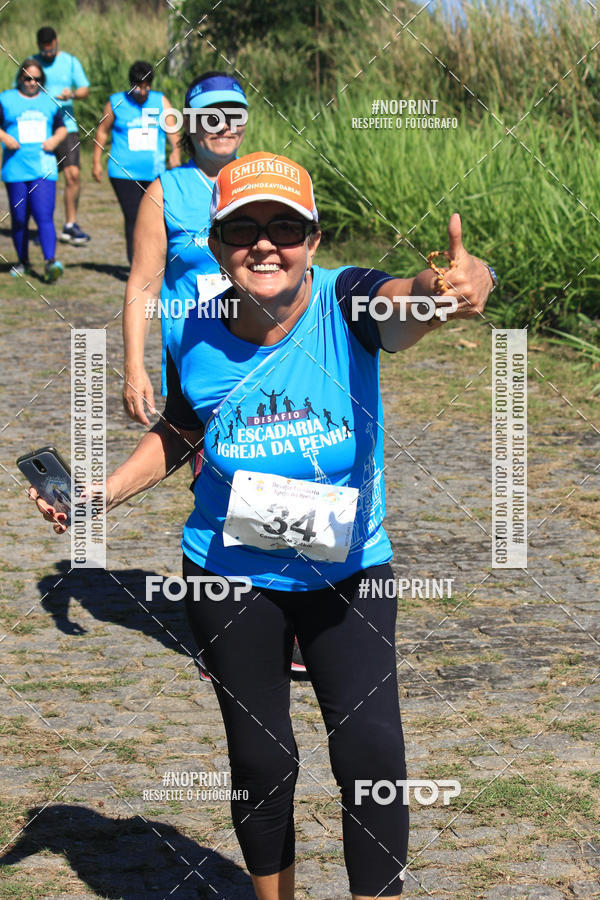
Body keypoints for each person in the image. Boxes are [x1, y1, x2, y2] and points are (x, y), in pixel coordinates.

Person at [32, 151, 494, 898]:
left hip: (348, 570)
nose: (265, 243)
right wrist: (101, 495)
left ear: (314, 239)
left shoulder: (350, 304)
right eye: (243, 228)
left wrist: (457, 289)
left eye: (286, 226)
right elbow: (185, 426)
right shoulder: (196, 329)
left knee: (371, 757)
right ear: (216, 244)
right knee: (261, 761)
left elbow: (412, 301)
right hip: (229, 571)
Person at [121, 70, 249, 428]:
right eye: (211, 116)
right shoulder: (164, 191)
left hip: (261, 353)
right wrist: (134, 365)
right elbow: (143, 285)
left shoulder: (262, 181)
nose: (224, 125)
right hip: (195, 359)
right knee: (206, 473)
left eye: (234, 114)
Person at [92, 61, 180, 264]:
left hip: (154, 171)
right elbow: (102, 131)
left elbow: (172, 130)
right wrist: (96, 161)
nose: (142, 91)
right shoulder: (116, 102)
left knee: (157, 219)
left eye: (146, 86)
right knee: (133, 218)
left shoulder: (160, 101)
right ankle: (136, 265)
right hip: (123, 172)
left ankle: (158, 263)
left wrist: (175, 152)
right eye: (138, 86)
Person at [0, 58, 67, 282]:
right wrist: (5, 138)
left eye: (37, 79)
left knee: (43, 215)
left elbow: (62, 129)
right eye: (28, 78)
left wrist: (54, 141)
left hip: (44, 167)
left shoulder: (49, 102)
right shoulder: (6, 99)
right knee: (19, 218)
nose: (32, 83)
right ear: (20, 78)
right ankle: (23, 262)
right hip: (15, 168)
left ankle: (50, 262)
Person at [34, 25, 90, 244]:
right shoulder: (32, 63)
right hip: (40, 127)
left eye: (51, 49)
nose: (48, 54)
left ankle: (70, 225)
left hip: (67, 126)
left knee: (73, 175)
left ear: (56, 42)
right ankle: (43, 226)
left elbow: (85, 89)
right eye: (44, 50)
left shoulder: (70, 61)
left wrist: (73, 94)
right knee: (42, 179)